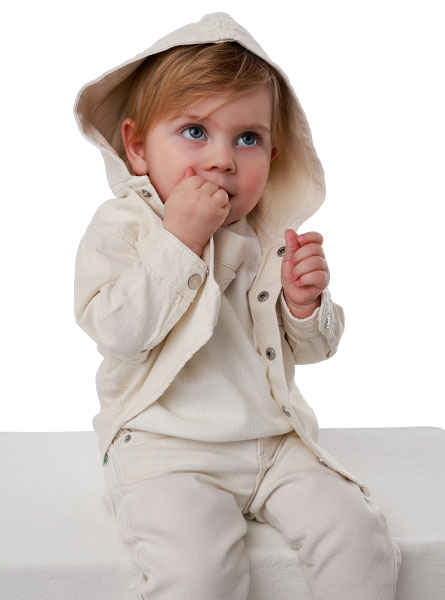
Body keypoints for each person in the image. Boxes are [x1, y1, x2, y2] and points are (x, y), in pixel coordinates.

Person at [73, 12, 401, 599]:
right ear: (138, 146)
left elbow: (315, 349)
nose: (222, 159)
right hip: (165, 449)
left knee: (360, 539)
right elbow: (118, 332)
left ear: (272, 154)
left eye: (247, 138)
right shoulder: (126, 226)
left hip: (273, 442)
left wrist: (305, 304)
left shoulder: (269, 234)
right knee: (199, 574)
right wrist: (180, 241)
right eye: (195, 131)